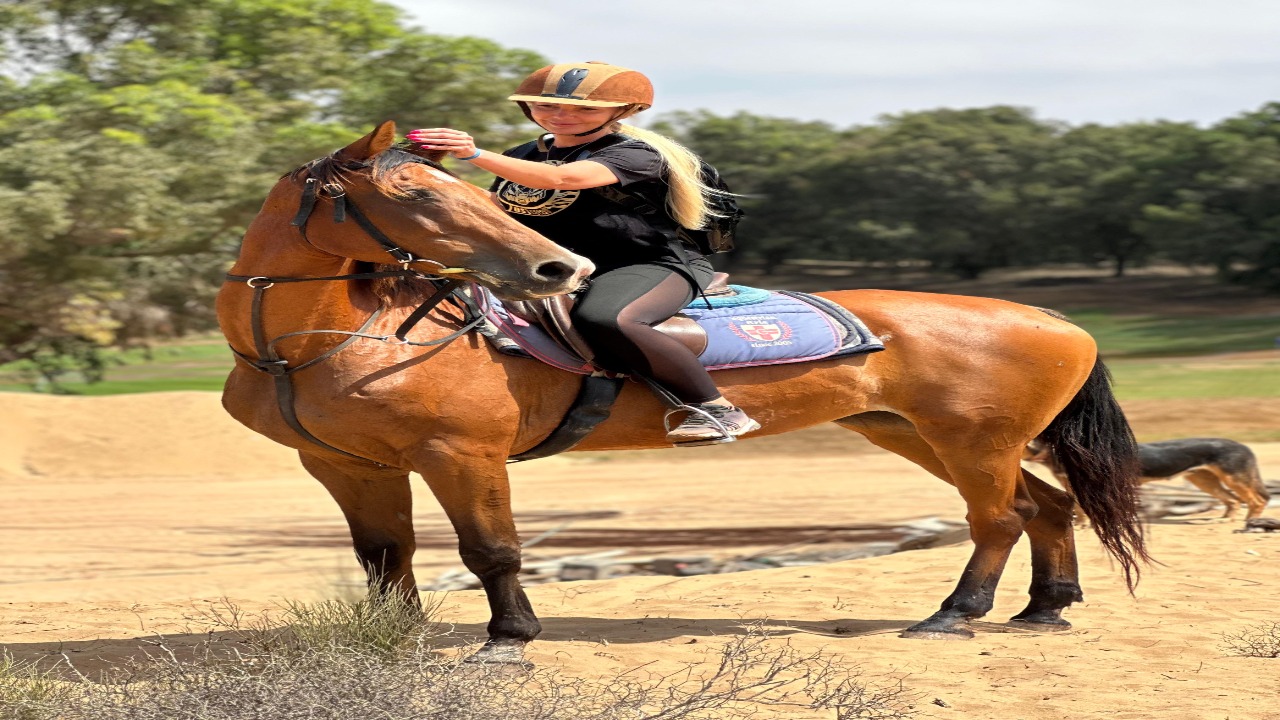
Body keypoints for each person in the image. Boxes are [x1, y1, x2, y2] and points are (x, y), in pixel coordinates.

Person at [407, 61, 759, 445]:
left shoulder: (637, 155)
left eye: (584, 109)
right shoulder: (523, 154)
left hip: (647, 264)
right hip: (558, 265)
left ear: (620, 111)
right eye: (547, 107)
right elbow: (504, 207)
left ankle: (717, 409)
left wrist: (474, 154)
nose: (562, 116)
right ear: (529, 109)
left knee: (607, 319)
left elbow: (565, 179)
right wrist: (422, 178)